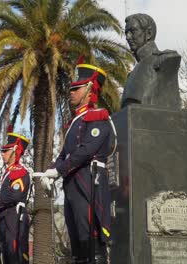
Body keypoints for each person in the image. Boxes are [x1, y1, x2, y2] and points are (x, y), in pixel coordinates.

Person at [37, 57, 114, 264]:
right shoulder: (74, 122)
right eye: (71, 88)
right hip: (72, 185)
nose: (71, 92)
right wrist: (50, 172)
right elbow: (64, 153)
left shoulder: (98, 117)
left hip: (89, 183)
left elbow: (86, 151)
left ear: (90, 90)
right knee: (78, 246)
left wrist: (59, 170)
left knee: (91, 243)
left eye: (77, 89)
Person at [0, 130, 31, 264]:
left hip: (15, 217)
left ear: (15, 150)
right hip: (6, 217)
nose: (2, 154)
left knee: (16, 254)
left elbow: (14, 196)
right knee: (7, 256)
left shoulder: (19, 172)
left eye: (6, 151)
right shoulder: (8, 172)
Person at [121, 13, 181, 109]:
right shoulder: (131, 76)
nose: (128, 37)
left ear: (149, 33)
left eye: (133, 31)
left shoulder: (167, 59)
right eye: (126, 33)